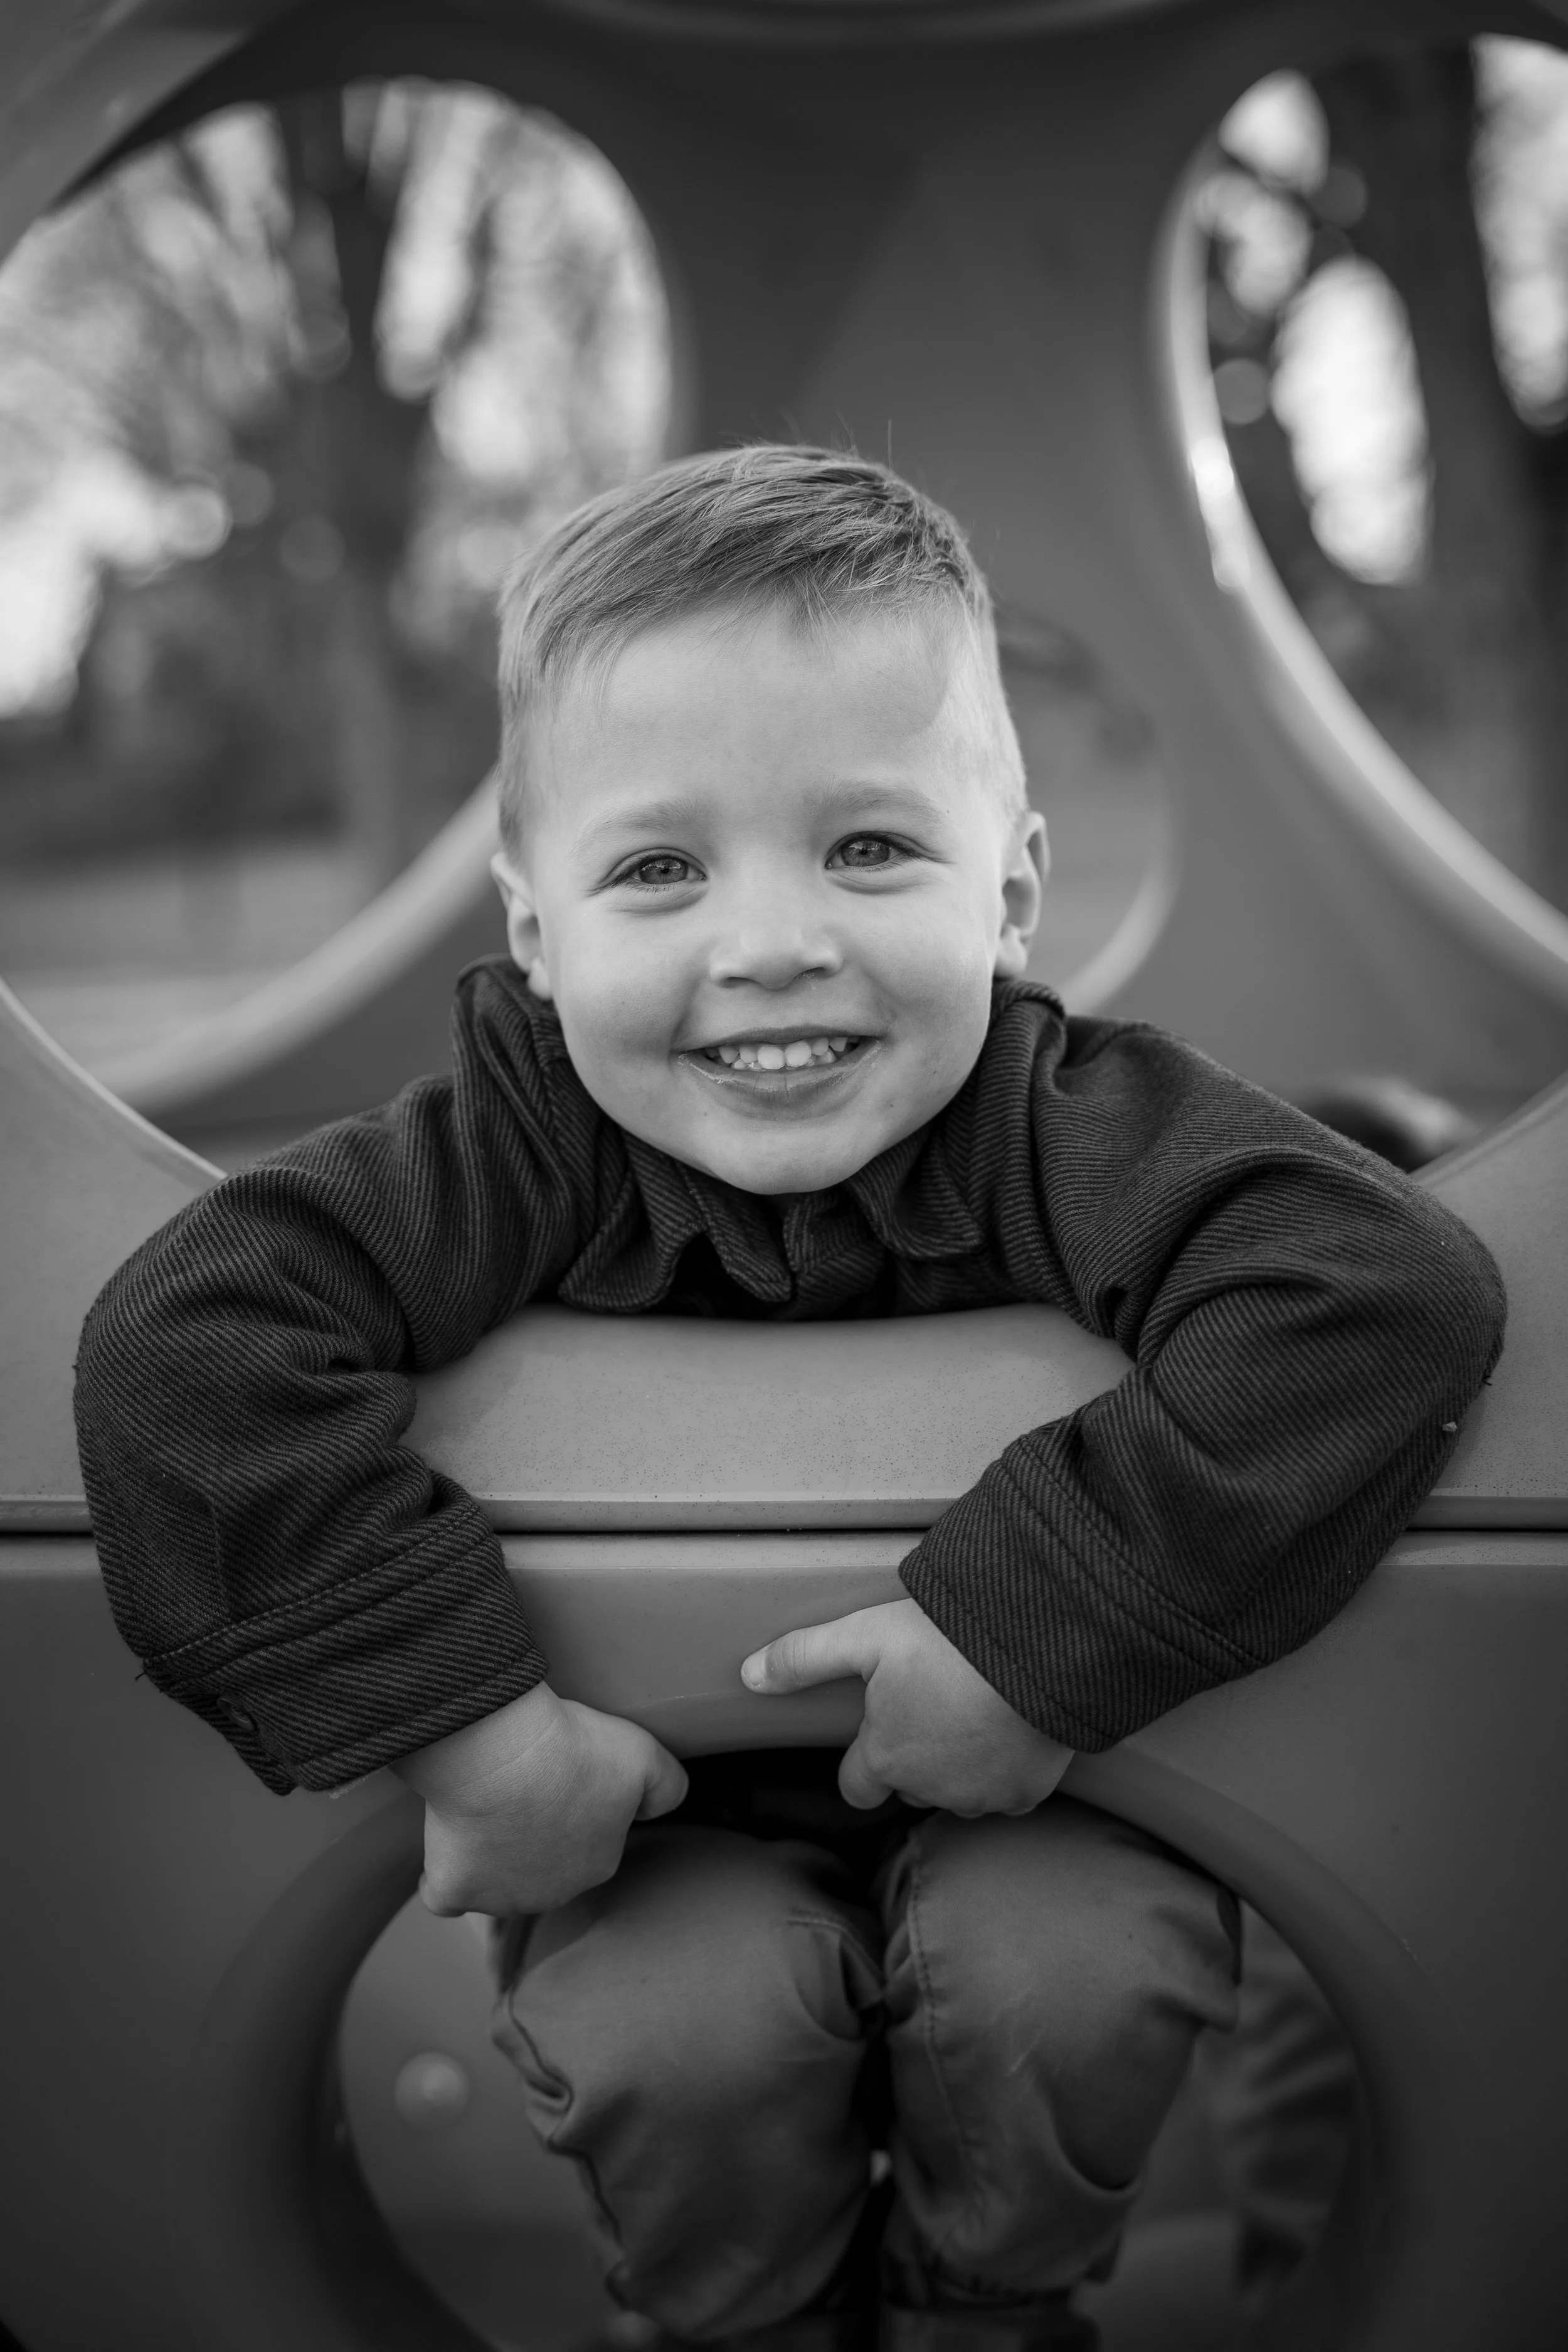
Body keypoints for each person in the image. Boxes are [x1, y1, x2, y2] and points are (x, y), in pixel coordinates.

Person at [74, 446, 1505, 2352]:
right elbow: (185, 1350)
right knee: (682, 2021)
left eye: (867, 848)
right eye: (658, 868)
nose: (767, 942)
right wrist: (478, 1735)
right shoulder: (508, 1145)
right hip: (651, 1831)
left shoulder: (1053, 1113)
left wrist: (1023, 1634)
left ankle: (982, 2312)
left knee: (1069, 1970)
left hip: (1058, 1785)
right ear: (531, 929)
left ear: (1010, 893)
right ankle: (735, 2324)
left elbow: (1376, 1285)